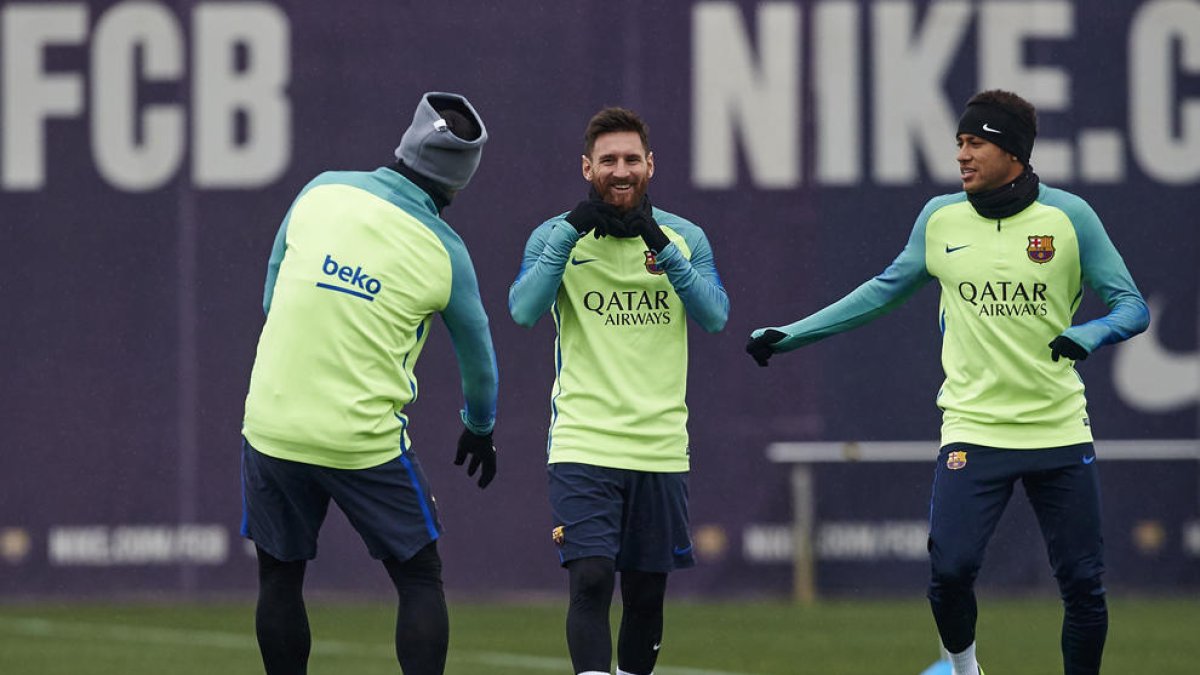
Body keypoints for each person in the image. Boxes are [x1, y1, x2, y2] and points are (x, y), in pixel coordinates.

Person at [747, 89, 1149, 675]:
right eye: (959, 142)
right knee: (951, 570)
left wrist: (1091, 334)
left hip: (1057, 430)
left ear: (1012, 150)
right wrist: (793, 334)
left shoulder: (1069, 218)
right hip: (974, 429)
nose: (961, 155)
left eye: (975, 142)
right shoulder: (940, 219)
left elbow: (1131, 306)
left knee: (1084, 585)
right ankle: (965, 670)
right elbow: (881, 291)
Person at [240, 91, 499, 675]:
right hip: (361, 439)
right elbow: (479, 362)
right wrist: (479, 427)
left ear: (405, 142)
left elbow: (270, 296)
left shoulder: (321, 188)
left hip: (271, 424)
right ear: (459, 182)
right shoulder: (447, 252)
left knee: (279, 575)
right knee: (418, 576)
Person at [509, 107, 729, 675]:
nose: (621, 169)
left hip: (658, 445)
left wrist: (662, 247)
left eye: (632, 158)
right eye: (608, 160)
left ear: (651, 165)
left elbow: (714, 316)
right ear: (588, 168)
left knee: (646, 593)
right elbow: (522, 309)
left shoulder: (684, 238)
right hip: (584, 441)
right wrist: (568, 234)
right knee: (590, 576)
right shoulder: (556, 235)